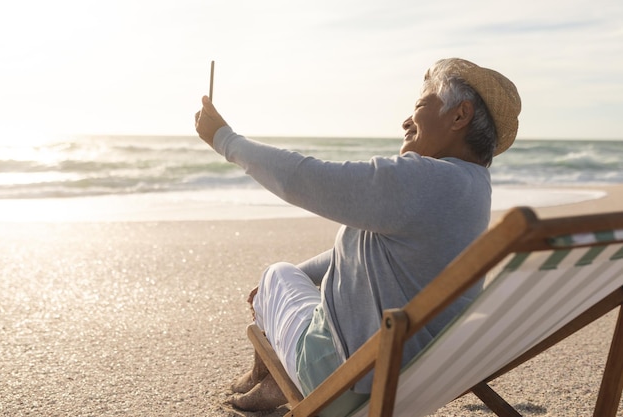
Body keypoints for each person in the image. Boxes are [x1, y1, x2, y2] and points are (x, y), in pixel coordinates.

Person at [194, 58, 521, 415]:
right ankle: (268, 375)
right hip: (414, 379)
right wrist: (302, 277)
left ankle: (272, 377)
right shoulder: (471, 188)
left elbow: (306, 179)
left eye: (420, 106)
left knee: (275, 274)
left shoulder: (423, 179)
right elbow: (365, 252)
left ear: (460, 117)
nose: (406, 120)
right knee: (293, 276)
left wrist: (225, 140)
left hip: (344, 379)